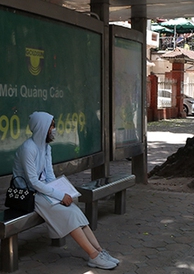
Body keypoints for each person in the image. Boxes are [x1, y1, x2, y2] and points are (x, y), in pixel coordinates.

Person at [12, 111, 119, 270]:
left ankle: (99, 251)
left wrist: (63, 191)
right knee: (68, 215)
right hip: (29, 194)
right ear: (42, 127)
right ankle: (93, 256)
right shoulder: (29, 148)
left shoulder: (45, 147)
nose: (54, 129)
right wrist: (60, 195)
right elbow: (33, 181)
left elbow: (49, 175)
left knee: (75, 211)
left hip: (43, 191)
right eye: (52, 126)